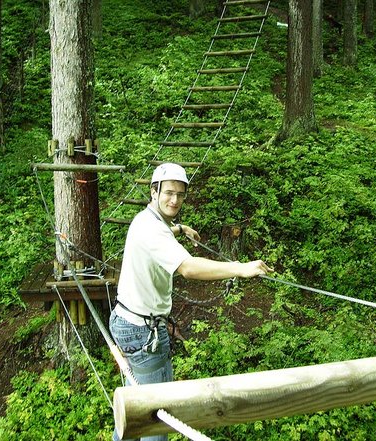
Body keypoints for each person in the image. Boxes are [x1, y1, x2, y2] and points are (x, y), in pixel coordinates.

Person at [109, 163, 272, 441]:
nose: (175, 200)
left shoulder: (147, 221)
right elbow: (188, 267)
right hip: (143, 333)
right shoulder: (151, 229)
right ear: (154, 191)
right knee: (154, 422)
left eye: (180, 195)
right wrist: (240, 267)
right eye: (169, 193)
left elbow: (162, 231)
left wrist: (180, 228)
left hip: (128, 323)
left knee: (134, 409)